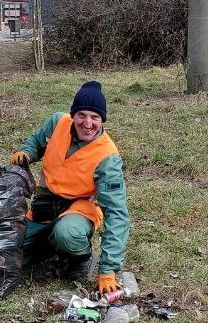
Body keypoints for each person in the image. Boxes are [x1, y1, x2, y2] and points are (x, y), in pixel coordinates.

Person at [9, 80, 130, 296]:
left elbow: (117, 214)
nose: (87, 123)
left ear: (102, 120)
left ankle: (80, 259)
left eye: (95, 117)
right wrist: (26, 152)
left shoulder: (108, 157)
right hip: (44, 208)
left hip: (79, 210)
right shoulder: (58, 123)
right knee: (10, 250)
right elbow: (38, 142)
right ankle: (49, 246)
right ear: (73, 115)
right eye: (81, 115)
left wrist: (108, 270)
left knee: (67, 234)